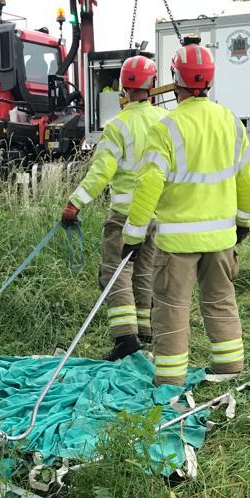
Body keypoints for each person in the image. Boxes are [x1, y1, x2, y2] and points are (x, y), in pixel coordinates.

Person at [121, 43, 250, 387]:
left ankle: (169, 381)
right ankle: (229, 368)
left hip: (177, 242)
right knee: (221, 300)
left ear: (175, 80)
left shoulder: (166, 128)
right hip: (221, 239)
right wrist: (243, 221)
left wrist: (132, 237)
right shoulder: (230, 122)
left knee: (171, 308)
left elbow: (148, 186)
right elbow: (249, 178)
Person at [61, 56, 168, 361]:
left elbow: (101, 172)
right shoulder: (164, 120)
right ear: (152, 85)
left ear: (123, 85)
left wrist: (75, 202)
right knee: (144, 270)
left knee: (115, 271)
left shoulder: (117, 125)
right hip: (157, 214)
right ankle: (145, 332)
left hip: (125, 213)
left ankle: (125, 340)